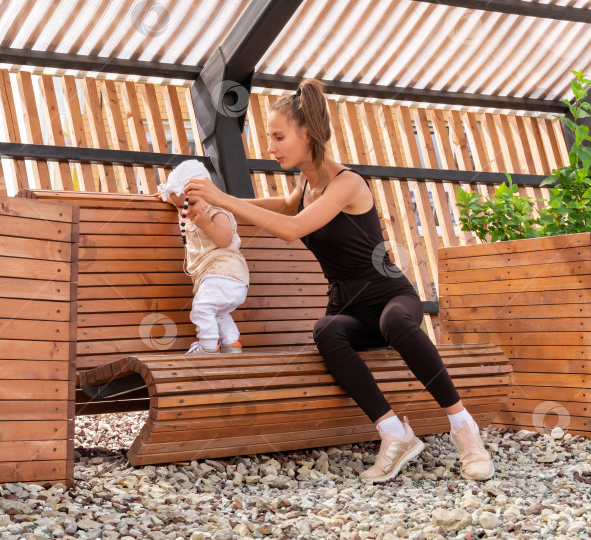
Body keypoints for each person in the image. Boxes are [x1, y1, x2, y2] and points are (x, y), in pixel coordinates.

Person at [184, 79, 494, 483]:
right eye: (269, 137)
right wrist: (210, 203)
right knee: (326, 330)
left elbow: (292, 228)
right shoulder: (306, 185)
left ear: (307, 134)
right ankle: (393, 433)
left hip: (390, 297)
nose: (270, 147)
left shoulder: (347, 183)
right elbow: (282, 206)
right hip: (348, 307)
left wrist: (223, 199)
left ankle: (465, 430)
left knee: (396, 323)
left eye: (278, 137)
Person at [156, 160, 249, 355]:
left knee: (202, 307)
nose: (186, 211)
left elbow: (224, 239)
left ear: (209, 193)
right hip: (218, 279)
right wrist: (168, 197)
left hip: (225, 274)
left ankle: (207, 346)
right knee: (219, 312)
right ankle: (232, 343)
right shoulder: (190, 212)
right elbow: (181, 201)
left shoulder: (217, 213)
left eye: (191, 204)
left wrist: (208, 225)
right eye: (181, 207)